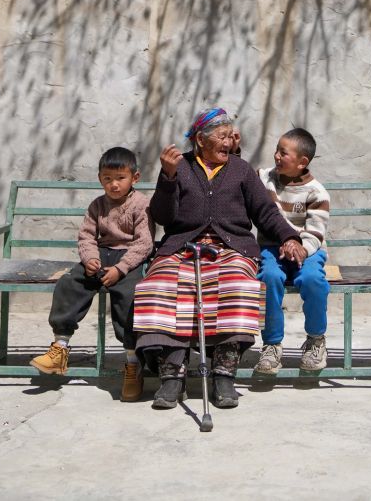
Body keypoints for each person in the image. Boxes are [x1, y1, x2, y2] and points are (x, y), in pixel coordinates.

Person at [133, 106, 306, 410]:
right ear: (201, 139)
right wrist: (168, 178)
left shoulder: (240, 170)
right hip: (182, 247)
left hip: (231, 249)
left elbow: (265, 213)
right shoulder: (180, 167)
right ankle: (172, 374)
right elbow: (162, 216)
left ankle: (223, 374)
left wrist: (290, 236)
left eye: (231, 136)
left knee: (238, 284)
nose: (229, 142)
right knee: (160, 283)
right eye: (222, 137)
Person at [30, 146, 154, 402]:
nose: (114, 185)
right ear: (100, 179)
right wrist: (90, 260)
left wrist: (120, 270)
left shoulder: (142, 205)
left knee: (130, 297)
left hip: (128, 260)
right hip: (101, 256)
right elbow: (86, 236)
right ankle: (60, 347)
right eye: (107, 179)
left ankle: (132, 363)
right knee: (69, 284)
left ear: (135, 178)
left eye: (120, 178)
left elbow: (144, 243)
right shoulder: (97, 205)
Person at [254, 127, 332, 375]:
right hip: (271, 249)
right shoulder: (265, 178)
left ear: (302, 162)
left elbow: (315, 233)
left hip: (308, 250)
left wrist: (300, 247)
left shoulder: (316, 192)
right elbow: (239, 174)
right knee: (269, 278)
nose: (276, 156)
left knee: (313, 280)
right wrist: (233, 149)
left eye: (283, 153)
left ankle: (316, 340)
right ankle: (272, 345)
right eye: (276, 150)